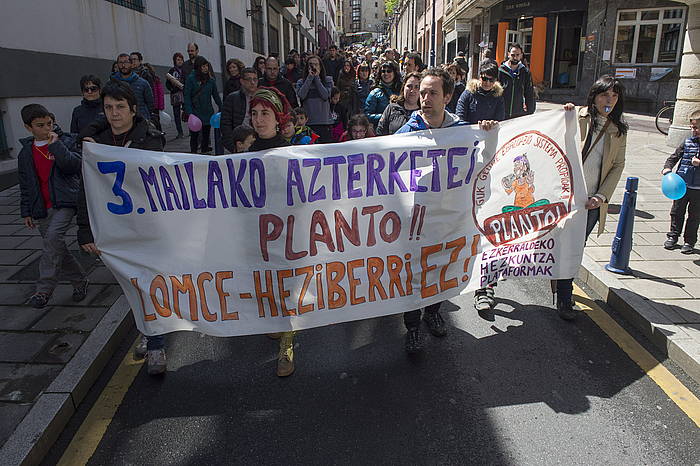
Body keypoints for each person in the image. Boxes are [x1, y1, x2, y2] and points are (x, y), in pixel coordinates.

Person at [78, 81, 166, 374]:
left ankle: (156, 344)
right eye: (108, 108)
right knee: (132, 286)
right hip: (115, 229)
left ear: (133, 109)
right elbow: (86, 190)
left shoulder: (149, 138)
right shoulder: (95, 144)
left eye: (120, 107)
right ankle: (148, 331)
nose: (114, 114)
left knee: (149, 285)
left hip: (148, 227)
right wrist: (85, 230)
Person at [394, 68, 475, 353]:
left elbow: (482, 162)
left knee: (440, 266)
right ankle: (413, 326)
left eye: (432, 93)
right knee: (414, 271)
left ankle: (433, 312)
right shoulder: (406, 132)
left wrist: (489, 133)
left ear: (448, 97)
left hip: (448, 218)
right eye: (422, 92)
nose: (424, 98)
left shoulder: (462, 132)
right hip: (415, 218)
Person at [559, 75, 628, 320]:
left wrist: (601, 196)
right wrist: (565, 114)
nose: (609, 100)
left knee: (575, 247)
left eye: (614, 95)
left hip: (590, 201)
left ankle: (564, 297)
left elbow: (618, 165)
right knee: (551, 242)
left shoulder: (619, 130)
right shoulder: (578, 116)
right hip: (564, 198)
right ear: (594, 97)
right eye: (604, 95)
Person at [18, 104, 87, 309]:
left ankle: (44, 289)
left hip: (65, 201)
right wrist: (26, 211)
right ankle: (79, 281)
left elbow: (74, 165)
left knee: (53, 239)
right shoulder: (26, 153)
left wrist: (56, 146)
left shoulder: (64, 141)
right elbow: (26, 184)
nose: (47, 128)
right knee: (56, 247)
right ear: (28, 127)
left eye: (49, 123)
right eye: (40, 125)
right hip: (42, 206)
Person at [662, 110, 700, 254]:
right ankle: (673, 236)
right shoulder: (687, 142)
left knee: (694, 216)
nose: (693, 130)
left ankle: (689, 241)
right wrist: (667, 167)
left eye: (696, 127)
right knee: (677, 212)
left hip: (698, 189)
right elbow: (674, 156)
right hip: (681, 185)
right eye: (692, 127)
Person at [184, 56, 223, 154]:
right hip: (195, 112)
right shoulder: (191, 79)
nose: (206, 68)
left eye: (207, 66)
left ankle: (205, 154)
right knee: (194, 136)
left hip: (207, 112)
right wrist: (190, 113)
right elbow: (187, 96)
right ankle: (194, 154)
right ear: (198, 67)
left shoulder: (211, 80)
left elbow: (216, 95)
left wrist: (221, 107)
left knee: (206, 136)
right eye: (203, 66)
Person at [296, 55, 334, 143]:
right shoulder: (301, 82)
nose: (314, 67)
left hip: (324, 123)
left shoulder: (328, 80)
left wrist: (317, 78)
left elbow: (325, 95)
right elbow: (302, 95)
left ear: (320, 67)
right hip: (308, 123)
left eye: (316, 64)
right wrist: (309, 78)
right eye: (311, 64)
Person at [221, 67, 258, 153]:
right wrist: (233, 147)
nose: (252, 82)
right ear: (242, 81)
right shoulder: (232, 98)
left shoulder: (262, 98)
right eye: (249, 79)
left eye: (255, 79)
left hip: (258, 140)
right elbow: (225, 125)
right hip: (239, 142)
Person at [111, 53, 154, 121]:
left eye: (126, 62)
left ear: (131, 64)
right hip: (120, 120)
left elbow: (150, 103)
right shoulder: (111, 83)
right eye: (120, 62)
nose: (123, 65)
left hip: (140, 120)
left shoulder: (143, 83)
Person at [376, 71, 421, 136]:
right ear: (403, 87)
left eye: (417, 87)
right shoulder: (391, 108)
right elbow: (380, 132)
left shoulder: (424, 112)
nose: (412, 90)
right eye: (409, 86)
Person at [498, 43, 536, 119]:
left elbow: (529, 93)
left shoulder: (525, 72)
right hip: (501, 113)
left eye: (517, 55)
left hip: (518, 114)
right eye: (512, 55)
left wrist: (530, 111)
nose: (515, 57)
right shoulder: (500, 70)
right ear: (508, 54)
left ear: (521, 55)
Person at [364, 60, 402, 127]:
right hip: (382, 129)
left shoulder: (401, 90)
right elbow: (367, 115)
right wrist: (385, 116)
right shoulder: (374, 93)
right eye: (383, 71)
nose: (386, 74)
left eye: (389, 71)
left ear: (394, 73)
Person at [166, 52, 186, 139]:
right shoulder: (171, 71)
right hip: (175, 95)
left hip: (185, 94)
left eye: (181, 59)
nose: (180, 61)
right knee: (176, 114)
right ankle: (180, 132)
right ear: (174, 61)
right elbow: (167, 83)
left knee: (188, 112)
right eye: (178, 60)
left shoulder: (186, 70)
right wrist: (172, 89)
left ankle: (191, 130)